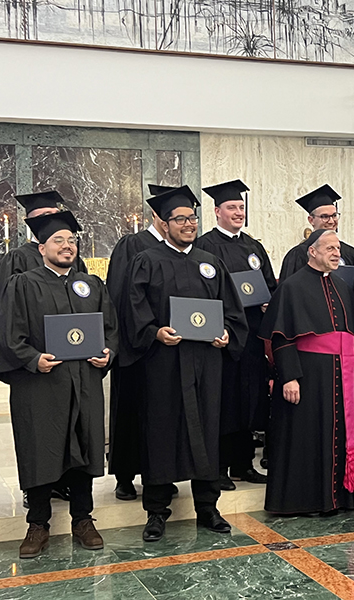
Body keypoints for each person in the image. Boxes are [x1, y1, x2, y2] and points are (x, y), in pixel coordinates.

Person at [123, 185, 248, 540]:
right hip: (164, 363)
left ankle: (208, 508)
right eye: (180, 219)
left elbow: (232, 310)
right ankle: (157, 512)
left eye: (192, 218)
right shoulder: (147, 261)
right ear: (163, 224)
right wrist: (154, 332)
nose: (188, 224)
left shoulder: (210, 262)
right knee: (161, 432)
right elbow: (133, 309)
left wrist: (226, 333)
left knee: (207, 430)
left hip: (206, 362)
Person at [0, 210, 118, 559]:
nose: (67, 246)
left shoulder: (90, 284)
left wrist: (107, 353)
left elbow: (110, 329)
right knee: (40, 449)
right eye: (59, 241)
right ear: (41, 246)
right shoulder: (24, 283)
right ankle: (38, 523)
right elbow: (9, 335)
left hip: (84, 383)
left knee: (84, 448)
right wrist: (33, 359)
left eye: (72, 241)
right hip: (42, 385)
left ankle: (83, 519)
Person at [259, 229, 354, 514]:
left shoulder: (343, 287)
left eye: (338, 248)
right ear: (312, 252)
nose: (335, 253)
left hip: (341, 373)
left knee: (339, 436)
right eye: (329, 248)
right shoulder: (292, 287)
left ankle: (338, 498)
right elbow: (280, 336)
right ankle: (307, 500)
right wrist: (289, 376)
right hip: (308, 374)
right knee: (308, 438)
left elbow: (350, 335)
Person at [197, 179, 276, 490]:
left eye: (241, 207)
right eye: (231, 207)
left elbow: (269, 282)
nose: (238, 212)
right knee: (224, 402)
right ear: (217, 212)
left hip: (252, 337)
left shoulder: (253, 247)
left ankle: (244, 465)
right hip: (223, 338)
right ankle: (217, 468)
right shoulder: (205, 246)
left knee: (249, 400)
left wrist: (270, 299)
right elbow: (202, 291)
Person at [105, 184, 170, 501]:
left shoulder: (181, 252)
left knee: (161, 416)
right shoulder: (132, 245)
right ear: (158, 216)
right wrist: (140, 334)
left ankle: (159, 474)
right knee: (131, 411)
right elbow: (119, 296)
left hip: (169, 351)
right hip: (136, 348)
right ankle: (125, 476)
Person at [0, 190, 87, 291]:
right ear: (31, 222)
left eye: (57, 214)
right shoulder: (18, 258)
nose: (54, 219)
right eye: (46, 215)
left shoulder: (71, 258)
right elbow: (8, 299)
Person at [278, 185, 354, 281]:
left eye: (334, 215)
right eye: (324, 216)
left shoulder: (350, 253)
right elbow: (288, 291)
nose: (331, 221)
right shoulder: (297, 255)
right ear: (311, 220)